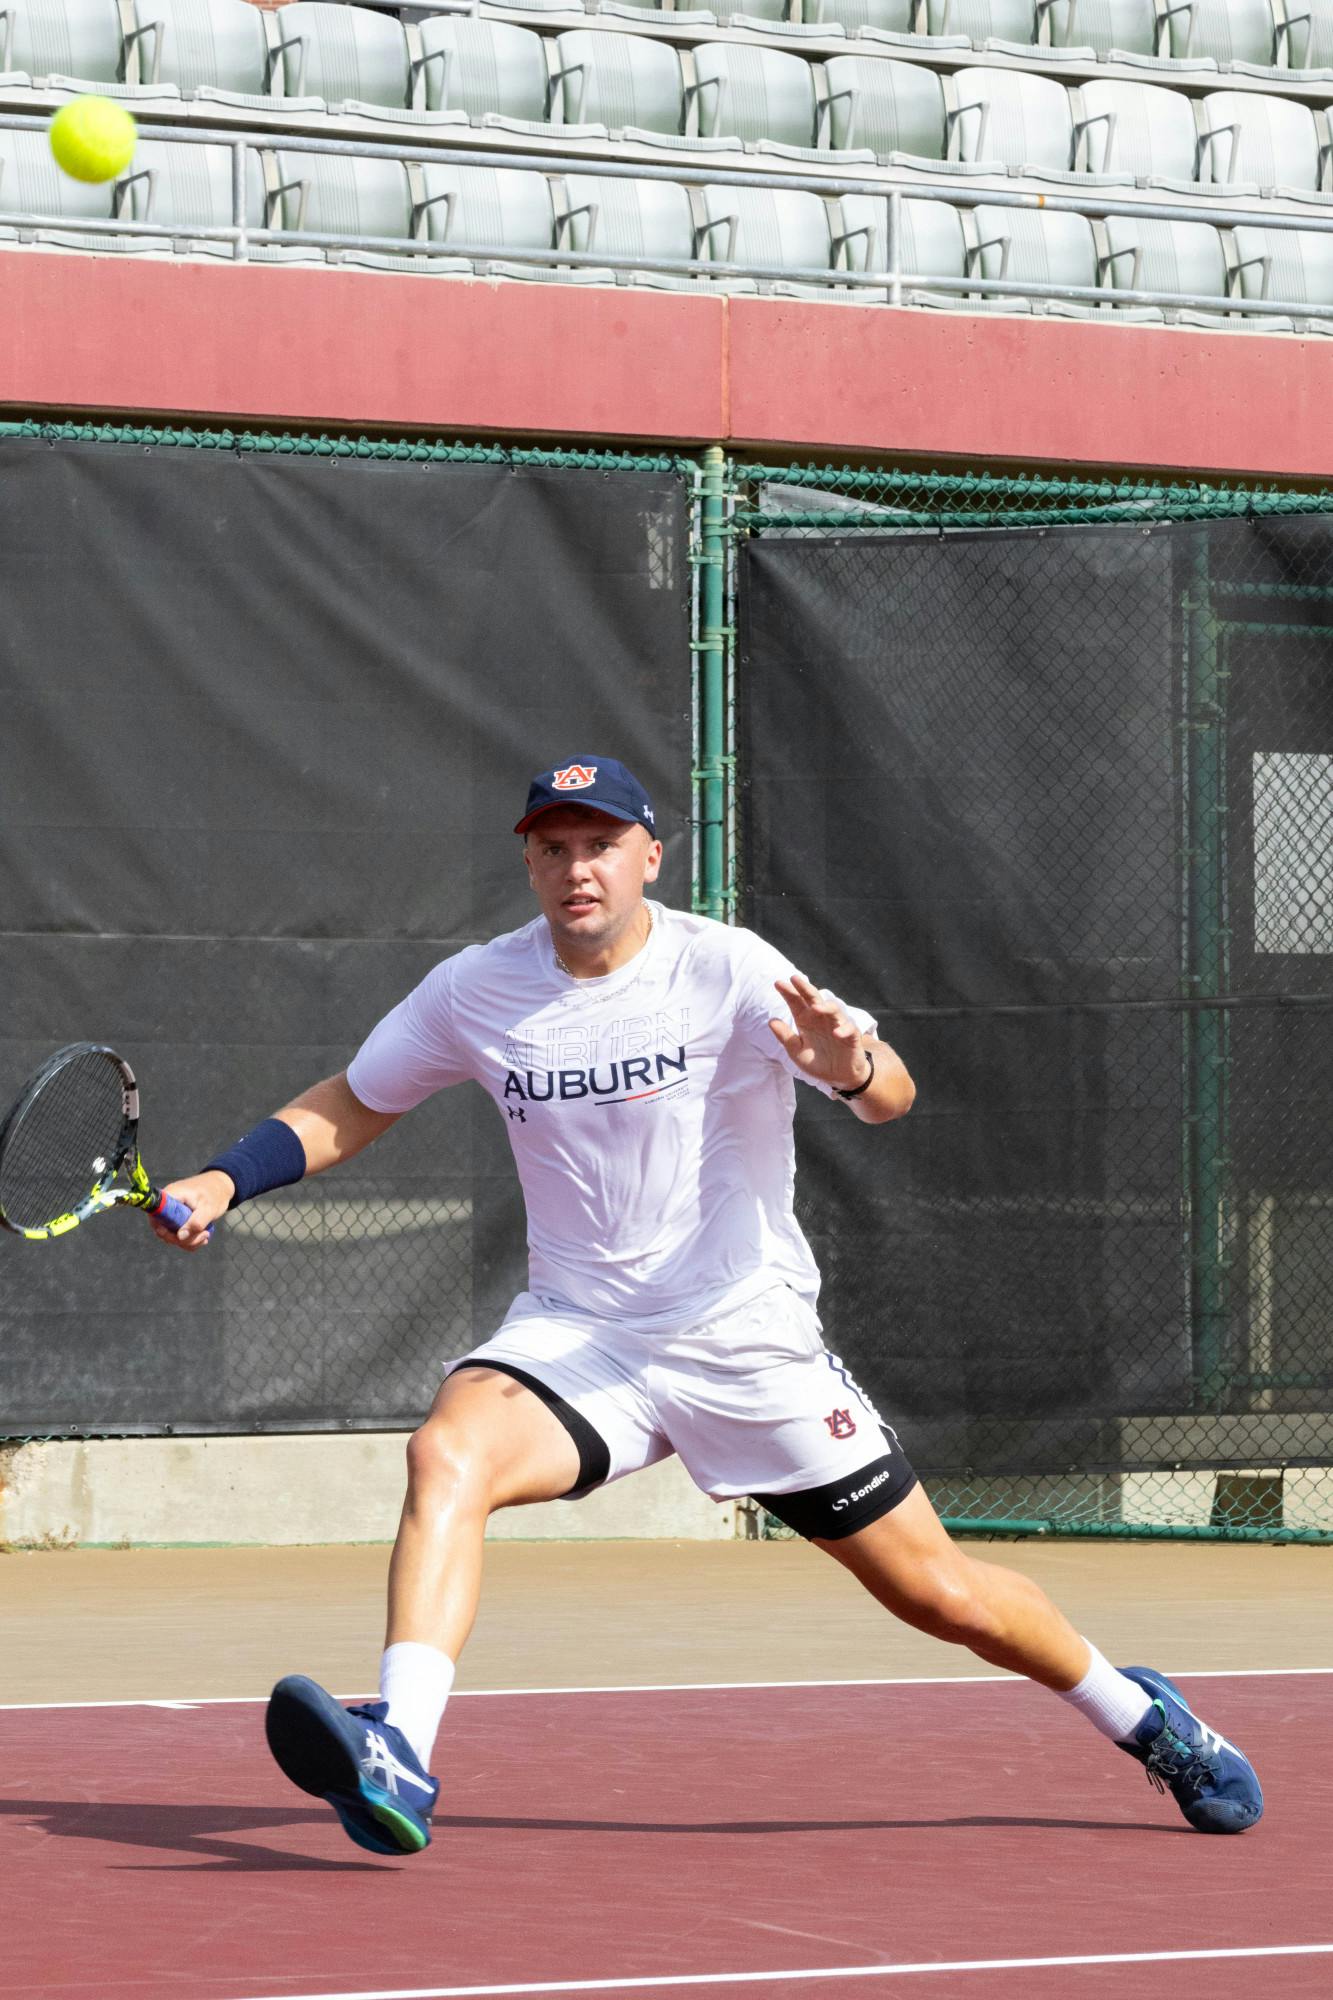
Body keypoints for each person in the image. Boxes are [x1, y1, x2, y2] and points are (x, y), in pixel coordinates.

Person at [153, 756, 1264, 1857]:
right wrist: (222, 1177)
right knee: (448, 1451)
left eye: (598, 844)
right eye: (552, 846)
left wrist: (849, 1059)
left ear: (649, 855)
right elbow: (355, 1099)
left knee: (942, 1594)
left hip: (744, 1334)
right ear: (529, 862)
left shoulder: (725, 965)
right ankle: (400, 1744)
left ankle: (1141, 1713)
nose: (575, 867)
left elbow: (889, 1094)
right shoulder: (474, 989)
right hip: (582, 1333)